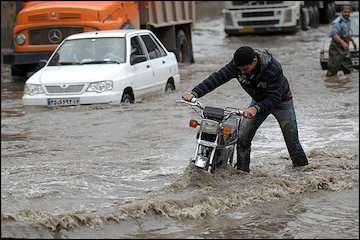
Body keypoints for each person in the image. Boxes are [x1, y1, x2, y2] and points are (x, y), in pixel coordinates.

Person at [182, 46, 309, 172]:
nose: (242, 72)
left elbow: (274, 98)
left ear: (254, 61)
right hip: (258, 101)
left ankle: (302, 172)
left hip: (282, 102)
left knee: (292, 141)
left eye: (245, 69)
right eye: (240, 70)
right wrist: (195, 92)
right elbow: (217, 78)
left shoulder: (272, 68)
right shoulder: (236, 66)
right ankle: (243, 173)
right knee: (242, 138)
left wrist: (256, 108)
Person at [326, 5, 357, 77]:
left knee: (348, 67)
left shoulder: (348, 21)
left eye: (348, 12)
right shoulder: (337, 22)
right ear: (341, 12)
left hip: (345, 46)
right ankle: (331, 83)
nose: (347, 14)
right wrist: (343, 43)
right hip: (336, 47)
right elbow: (334, 35)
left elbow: (346, 33)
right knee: (333, 67)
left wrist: (353, 41)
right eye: (345, 12)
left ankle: (347, 85)